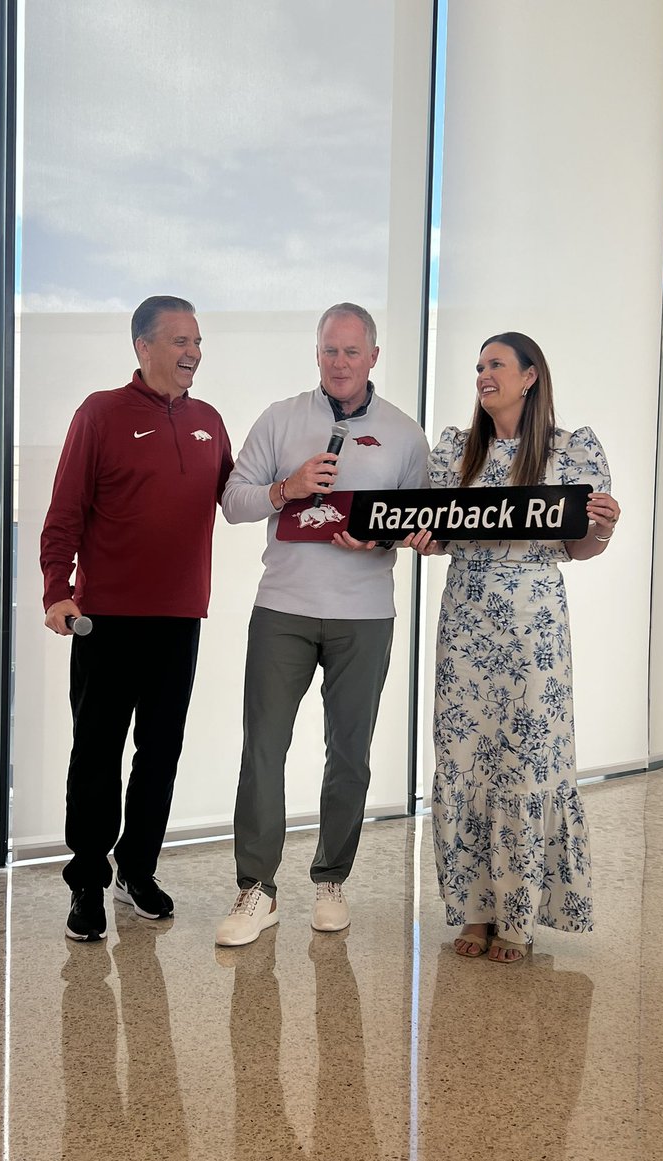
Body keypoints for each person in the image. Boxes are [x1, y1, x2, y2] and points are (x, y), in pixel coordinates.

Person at [214, 302, 430, 946]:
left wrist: (385, 540)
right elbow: (232, 501)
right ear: (317, 354)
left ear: (373, 357)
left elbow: (420, 525)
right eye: (330, 350)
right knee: (263, 747)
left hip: (364, 616)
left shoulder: (404, 434)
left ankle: (331, 879)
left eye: (352, 351)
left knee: (350, 756)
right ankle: (256, 890)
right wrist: (288, 487)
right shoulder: (280, 419)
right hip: (282, 608)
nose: (340, 362)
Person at [406, 332, 620, 963]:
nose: (482, 374)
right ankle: (474, 913)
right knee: (466, 756)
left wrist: (602, 528)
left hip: (534, 627)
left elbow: (581, 549)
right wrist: (424, 539)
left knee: (526, 759)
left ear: (530, 377)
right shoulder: (456, 453)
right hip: (466, 621)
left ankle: (519, 918)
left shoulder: (570, 451)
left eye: (495, 364)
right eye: (478, 366)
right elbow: (439, 535)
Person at [41, 295, 233, 942]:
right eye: (179, 340)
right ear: (142, 346)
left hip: (180, 619)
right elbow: (64, 511)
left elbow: (239, 495)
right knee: (96, 754)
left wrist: (296, 493)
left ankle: (136, 871)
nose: (192, 352)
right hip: (106, 621)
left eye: (198, 341)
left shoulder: (210, 420)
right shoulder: (100, 413)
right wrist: (55, 590)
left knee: (160, 753)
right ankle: (88, 883)